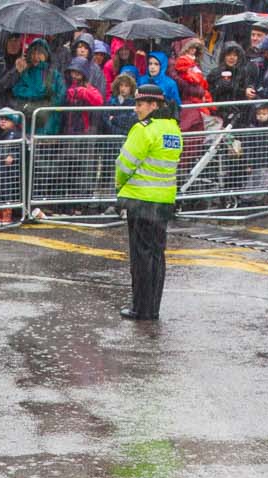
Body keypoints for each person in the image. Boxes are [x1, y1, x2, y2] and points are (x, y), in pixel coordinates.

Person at [112, 83, 180, 322]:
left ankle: (140, 308)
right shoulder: (172, 128)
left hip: (141, 201)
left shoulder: (144, 129)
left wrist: (119, 185)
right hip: (164, 200)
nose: (136, 109)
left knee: (141, 258)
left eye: (140, 104)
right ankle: (152, 308)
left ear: (154, 105)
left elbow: (124, 164)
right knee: (157, 255)